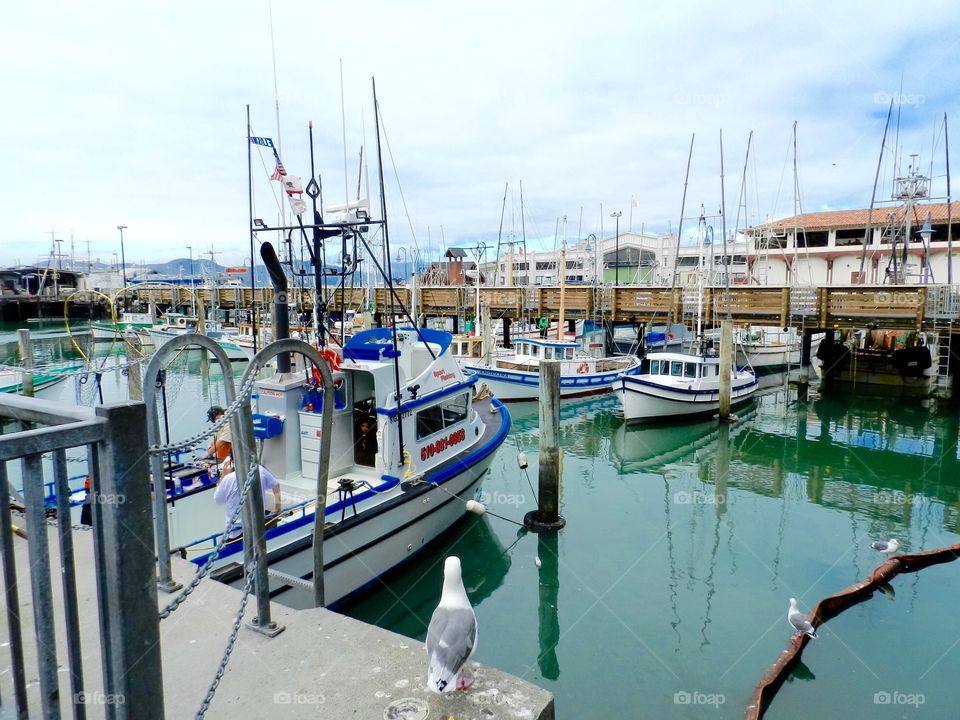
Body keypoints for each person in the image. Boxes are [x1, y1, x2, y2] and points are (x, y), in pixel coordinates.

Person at [213, 456, 282, 540]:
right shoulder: (259, 469)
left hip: (237, 532)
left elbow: (217, 500)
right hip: (259, 524)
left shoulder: (228, 479)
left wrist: (223, 475)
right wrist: (277, 507)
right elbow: (276, 485)